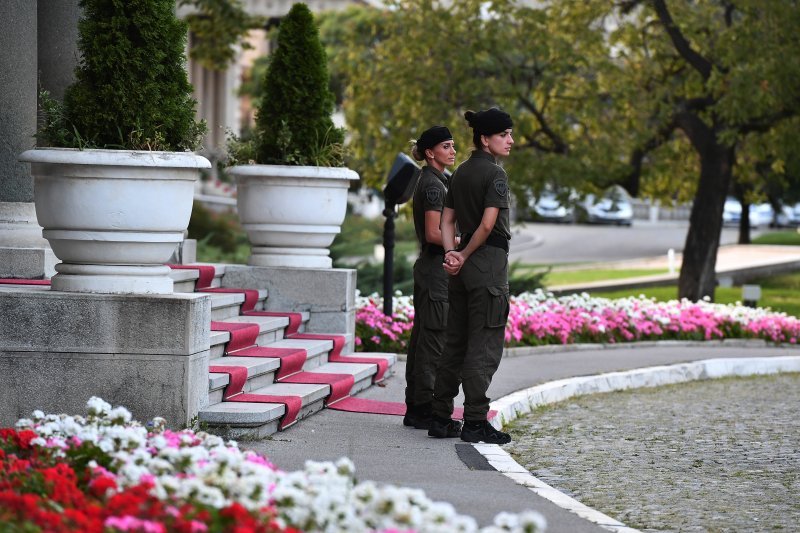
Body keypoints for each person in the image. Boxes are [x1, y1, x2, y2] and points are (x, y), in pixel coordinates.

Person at [428, 107, 514, 444]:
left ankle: (440, 416)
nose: (510, 140)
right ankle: (475, 421)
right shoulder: (496, 175)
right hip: (487, 265)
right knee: (484, 344)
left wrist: (452, 255)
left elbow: (447, 222)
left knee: (455, 342)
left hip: (461, 272)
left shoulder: (460, 172)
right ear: (484, 139)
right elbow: (489, 224)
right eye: (503, 135)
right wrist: (462, 254)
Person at [403, 125, 457, 430]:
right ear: (429, 152)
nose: (452, 151)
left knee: (424, 336)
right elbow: (435, 233)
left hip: (431, 269)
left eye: (452, 146)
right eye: (446, 146)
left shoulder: (437, 180)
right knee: (434, 340)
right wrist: (466, 241)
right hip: (435, 268)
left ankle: (416, 406)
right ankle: (424, 408)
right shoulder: (434, 185)